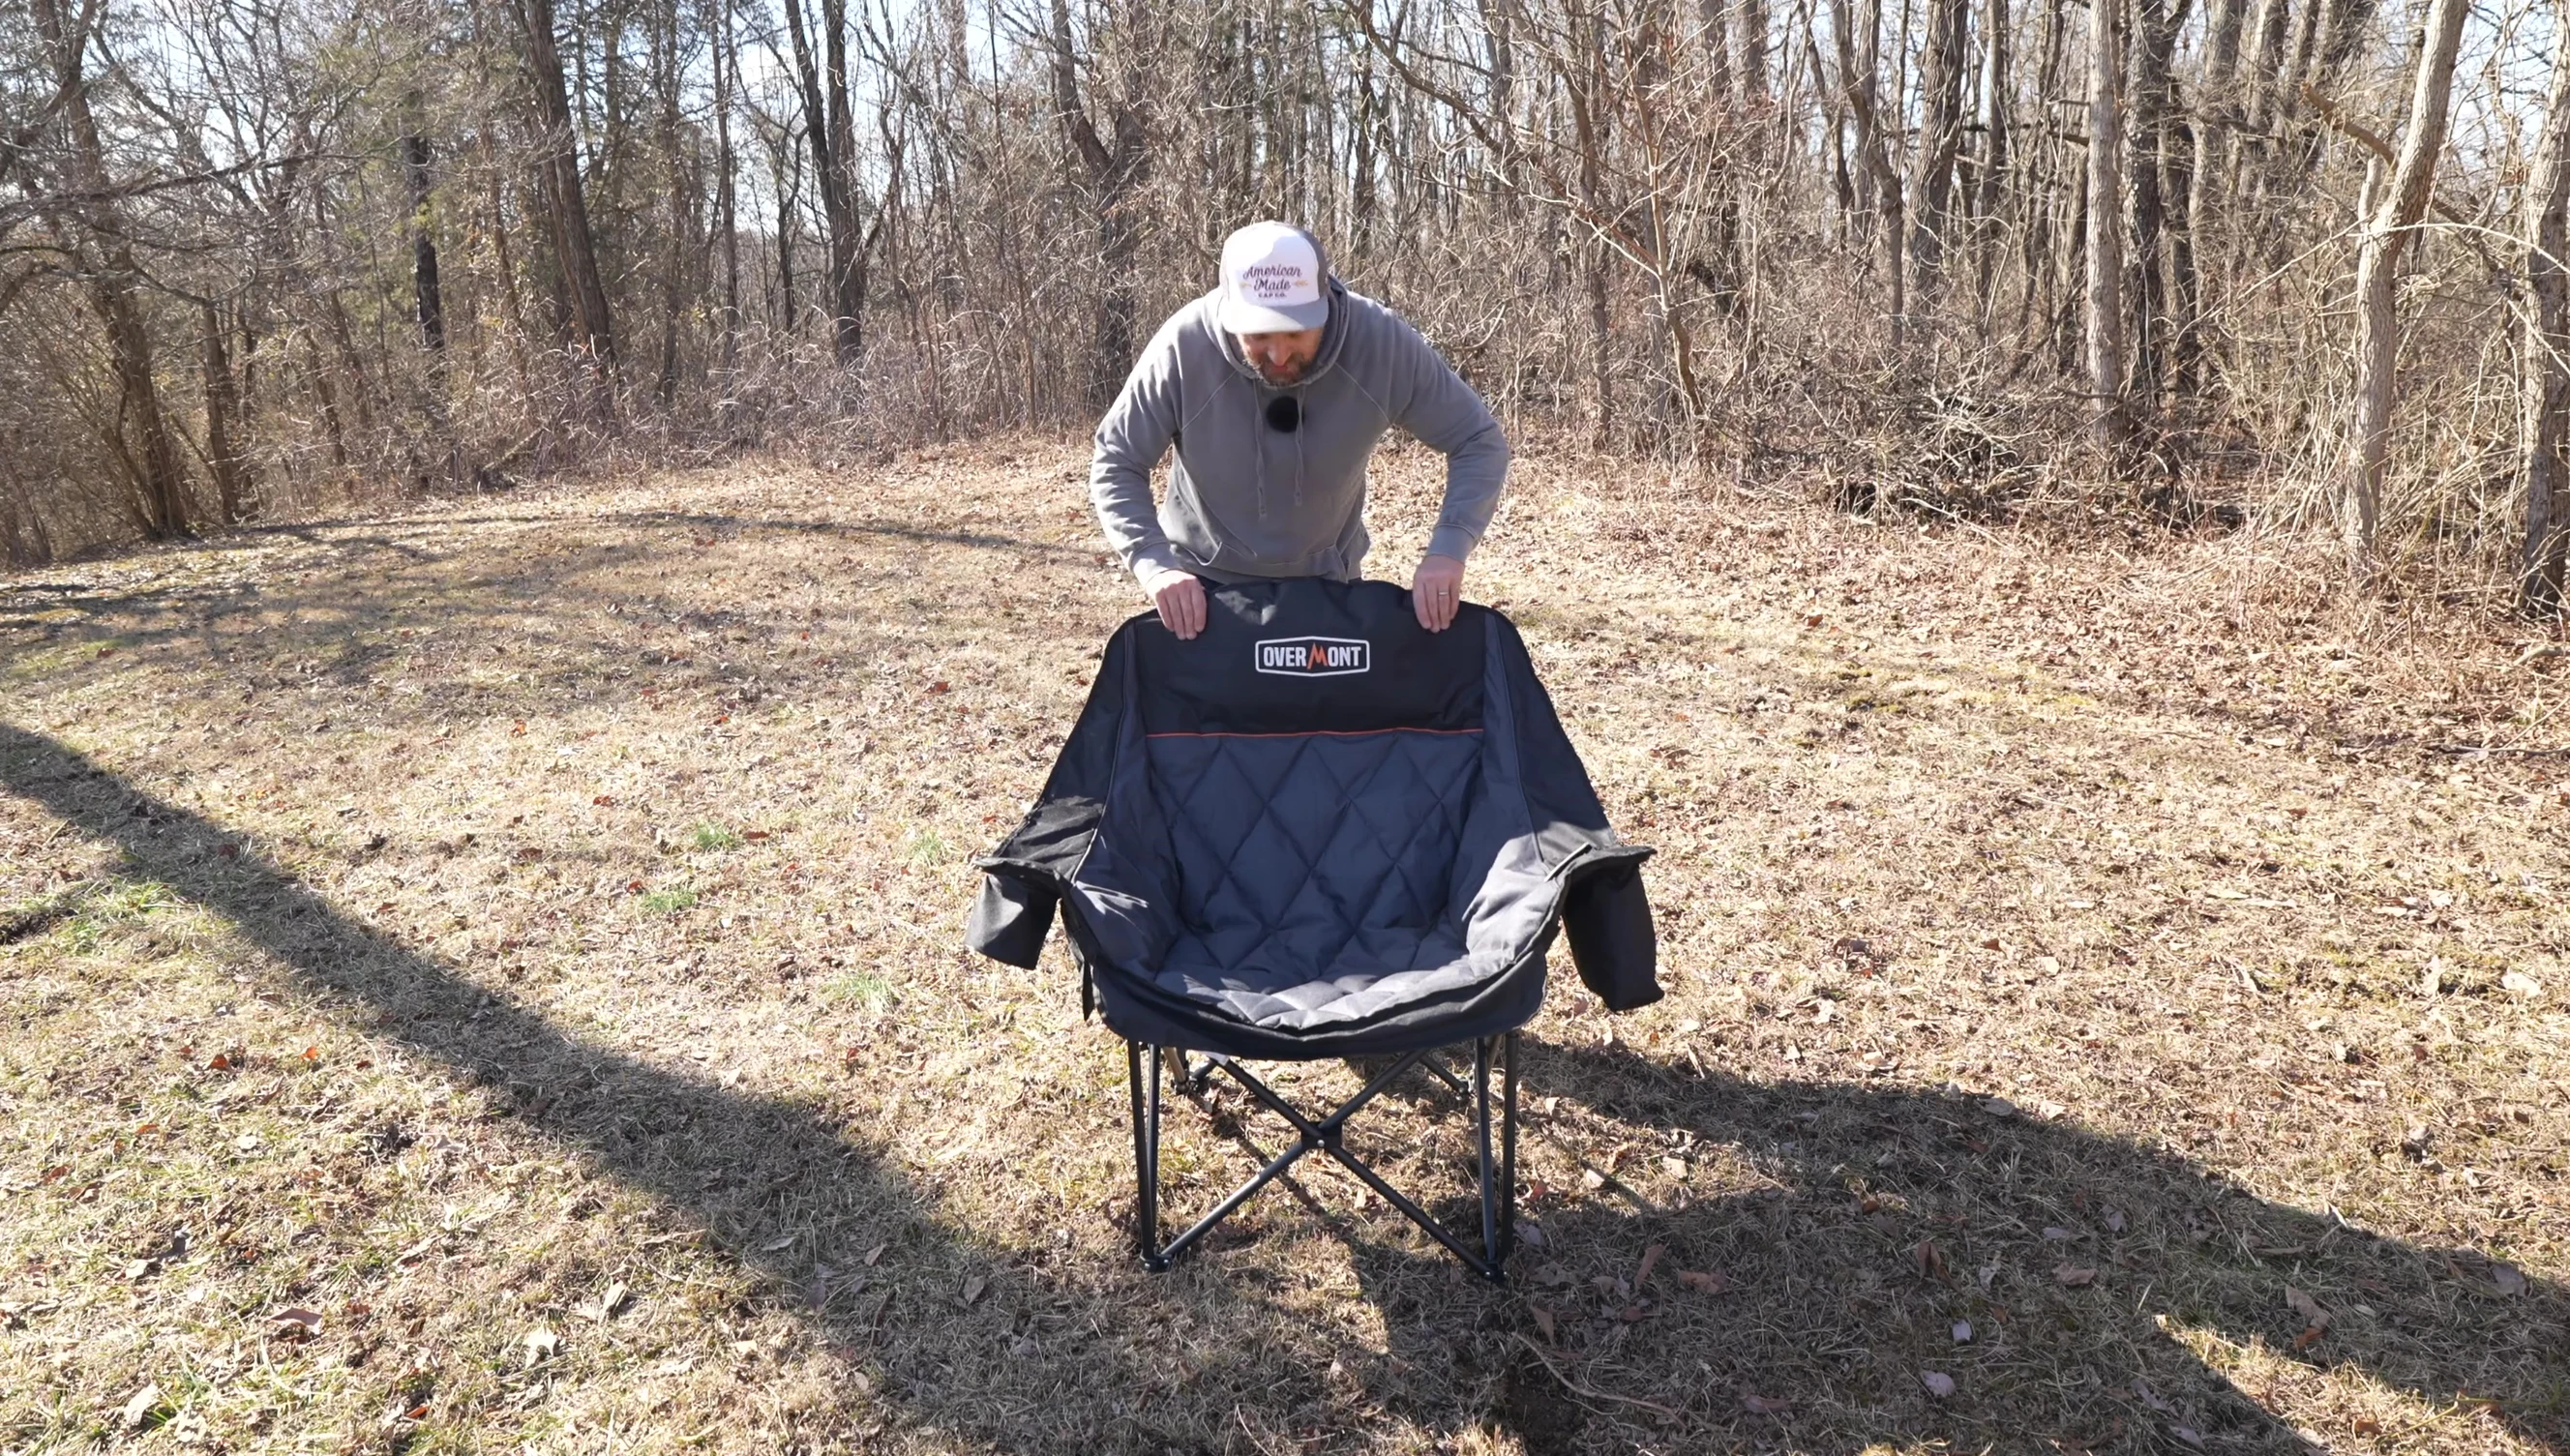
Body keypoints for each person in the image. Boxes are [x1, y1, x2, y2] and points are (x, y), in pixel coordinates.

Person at [1089, 222, 1509, 639]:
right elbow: (1117, 458)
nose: (1278, 353)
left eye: (1295, 332)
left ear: (1323, 305)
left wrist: (1448, 550)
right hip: (1203, 594)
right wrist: (1155, 564)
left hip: (1331, 587)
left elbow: (1476, 440)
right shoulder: (1185, 347)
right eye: (1257, 336)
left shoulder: (1379, 343)